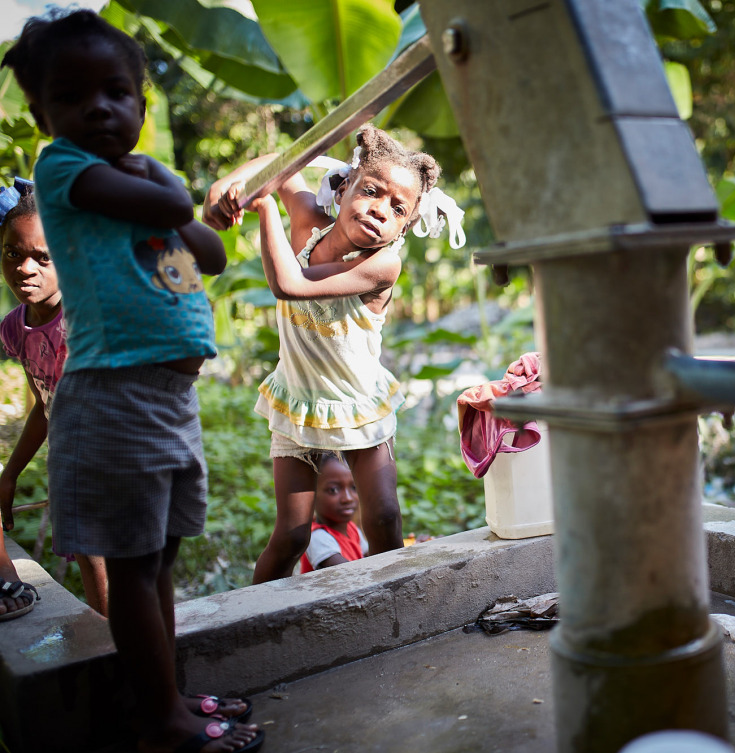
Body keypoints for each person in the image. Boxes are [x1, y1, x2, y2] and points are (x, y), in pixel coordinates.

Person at [1, 9, 262, 753]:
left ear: (143, 105)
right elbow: (177, 208)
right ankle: (162, 723)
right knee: (137, 569)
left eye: (117, 91)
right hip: (113, 398)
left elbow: (204, 252)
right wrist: (161, 182)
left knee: (160, 563)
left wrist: (173, 198)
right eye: (73, 95)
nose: (99, 108)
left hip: (168, 402)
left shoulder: (136, 187)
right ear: (44, 113)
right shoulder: (65, 169)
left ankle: (168, 696)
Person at [204, 124, 461, 584]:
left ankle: (390, 616)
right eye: (370, 191)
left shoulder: (382, 265)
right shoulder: (306, 221)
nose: (380, 209)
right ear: (342, 189)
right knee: (292, 534)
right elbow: (283, 164)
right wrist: (226, 187)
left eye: (397, 208)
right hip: (299, 400)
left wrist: (261, 206)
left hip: (358, 404)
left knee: (383, 520)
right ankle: (253, 618)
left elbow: (290, 285)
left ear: (404, 227)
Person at [0, 183, 109, 618]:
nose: (25, 268)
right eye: (13, 253)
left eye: (43, 258)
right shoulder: (14, 329)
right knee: (93, 570)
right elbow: (45, 407)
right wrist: (10, 474)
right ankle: (113, 656)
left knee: (113, 573)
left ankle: (123, 664)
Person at [300, 455, 368, 573]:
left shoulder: (352, 529)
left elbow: (371, 558)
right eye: (333, 490)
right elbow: (350, 574)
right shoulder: (317, 537)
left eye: (354, 488)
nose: (348, 498)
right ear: (312, 494)